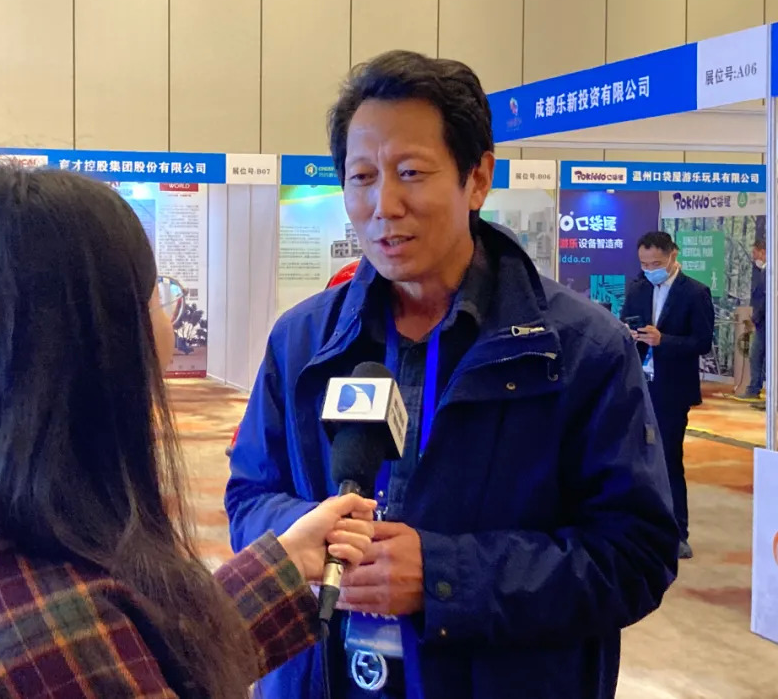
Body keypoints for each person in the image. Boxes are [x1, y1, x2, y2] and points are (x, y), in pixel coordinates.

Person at [0, 168, 378, 698]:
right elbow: (93, 652)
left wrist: (282, 566)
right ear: (100, 342)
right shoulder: (48, 638)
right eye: (157, 296)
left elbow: (138, 650)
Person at [226, 50, 679, 699]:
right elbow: (248, 496)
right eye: (361, 176)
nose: (383, 204)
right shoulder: (302, 342)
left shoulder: (580, 350)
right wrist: (306, 539)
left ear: (478, 178)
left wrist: (443, 577)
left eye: (410, 172)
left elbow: (635, 555)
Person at [622, 231, 715, 560]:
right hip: (638, 384)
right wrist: (628, 333)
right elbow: (624, 322)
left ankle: (677, 532)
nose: (650, 270)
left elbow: (702, 342)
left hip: (672, 388)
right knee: (635, 457)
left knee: (668, 458)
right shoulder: (637, 288)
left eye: (656, 263)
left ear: (673, 256)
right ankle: (639, 527)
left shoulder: (695, 293)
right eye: (644, 264)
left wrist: (664, 341)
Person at [735, 237, 767, 404]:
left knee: (757, 356)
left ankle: (754, 390)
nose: (753, 256)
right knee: (758, 357)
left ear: (763, 252)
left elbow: (765, 300)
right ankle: (755, 390)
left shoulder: (769, 273)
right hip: (763, 322)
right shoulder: (764, 273)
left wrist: (755, 318)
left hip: (766, 323)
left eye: (755, 252)